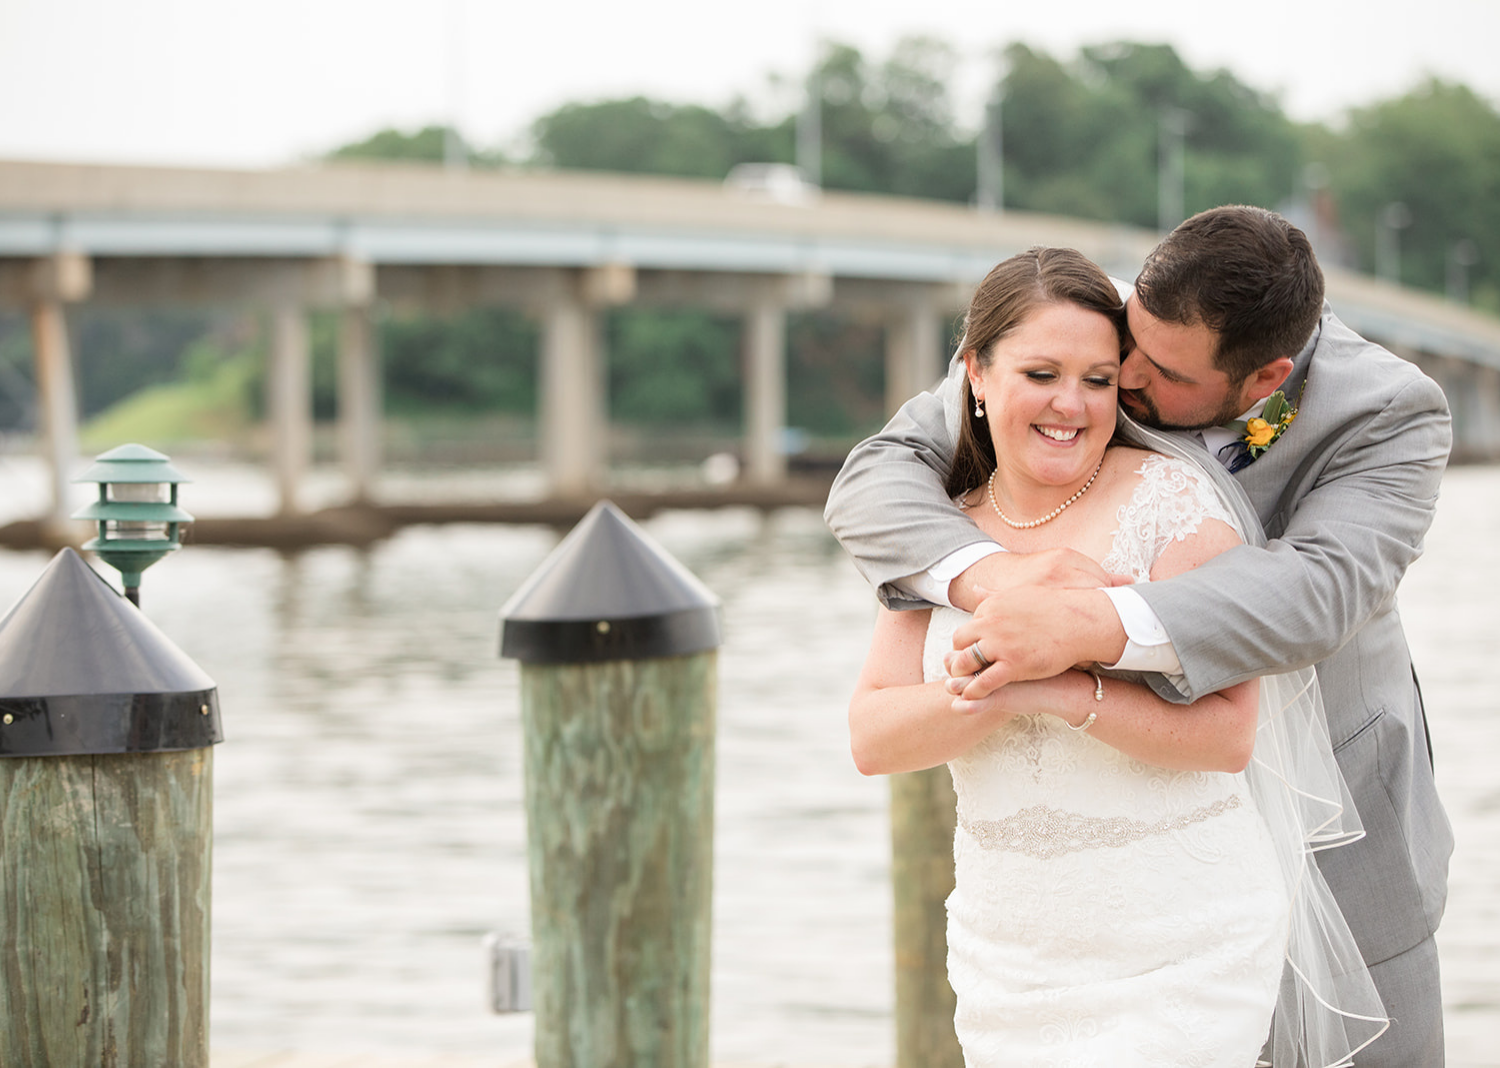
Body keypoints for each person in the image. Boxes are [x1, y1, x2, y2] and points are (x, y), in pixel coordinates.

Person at [827, 207, 1451, 1066]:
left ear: (1264, 378)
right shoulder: (1085, 334)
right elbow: (875, 480)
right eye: (1128, 344)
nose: (1118, 379)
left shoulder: (1389, 410)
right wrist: (1002, 581)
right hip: (1050, 915)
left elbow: (1320, 595)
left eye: (1155, 371)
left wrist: (1088, 625)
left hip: (1338, 803)